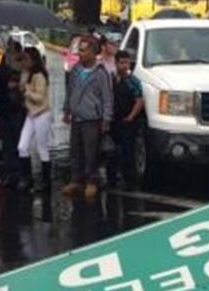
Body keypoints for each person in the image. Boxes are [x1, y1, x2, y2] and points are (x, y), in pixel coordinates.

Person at [62, 36, 113, 200]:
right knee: (75, 151)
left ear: (92, 52)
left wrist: (106, 120)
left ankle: (92, 181)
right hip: (76, 117)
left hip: (92, 119)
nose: (80, 54)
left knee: (91, 152)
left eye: (83, 50)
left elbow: (107, 98)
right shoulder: (75, 70)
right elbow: (70, 91)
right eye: (79, 50)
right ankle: (76, 180)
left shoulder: (100, 73)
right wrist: (66, 110)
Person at [106, 50, 145, 190]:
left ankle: (129, 181)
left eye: (127, 63)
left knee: (128, 151)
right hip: (113, 121)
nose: (125, 66)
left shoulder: (133, 81)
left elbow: (139, 101)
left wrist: (131, 117)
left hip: (128, 122)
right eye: (122, 63)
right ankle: (111, 179)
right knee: (111, 152)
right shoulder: (111, 80)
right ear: (116, 63)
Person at [18, 48, 52, 193]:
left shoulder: (40, 76)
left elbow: (39, 97)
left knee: (42, 147)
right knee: (22, 146)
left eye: (27, 59)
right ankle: (26, 178)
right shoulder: (26, 74)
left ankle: (46, 181)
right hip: (30, 114)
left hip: (41, 113)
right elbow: (21, 89)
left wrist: (26, 91)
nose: (24, 62)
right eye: (23, 59)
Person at [0, 40, 26, 189]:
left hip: (18, 109)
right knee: (7, 144)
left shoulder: (24, 68)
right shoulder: (2, 68)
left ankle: (21, 174)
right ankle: (9, 174)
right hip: (4, 108)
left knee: (19, 143)